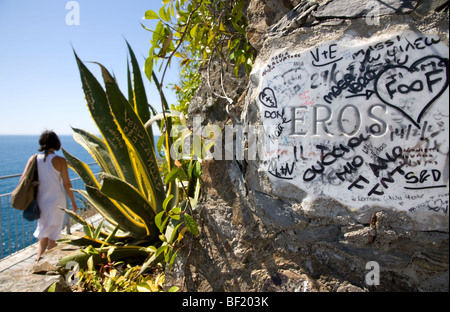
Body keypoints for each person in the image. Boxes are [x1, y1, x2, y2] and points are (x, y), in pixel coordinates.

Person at [20, 130, 77, 263]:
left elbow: (23, 180)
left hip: (40, 201)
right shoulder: (60, 160)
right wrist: (73, 201)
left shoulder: (33, 159)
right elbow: (67, 183)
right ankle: (51, 264)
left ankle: (38, 261)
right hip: (57, 201)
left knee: (43, 232)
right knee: (53, 235)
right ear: (56, 143)